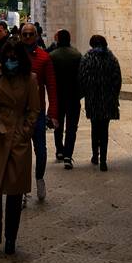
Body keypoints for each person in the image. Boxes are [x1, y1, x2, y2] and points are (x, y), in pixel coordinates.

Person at [0, 37, 40, 256]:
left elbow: (34, 110)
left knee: (14, 194)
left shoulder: (30, 79)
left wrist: (25, 132)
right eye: (7, 58)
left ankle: (10, 238)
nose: (10, 61)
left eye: (14, 58)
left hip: (17, 140)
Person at [18, 21, 58, 201]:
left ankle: (39, 177)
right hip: (18, 112)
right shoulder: (13, 57)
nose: (27, 37)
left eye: (30, 34)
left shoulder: (44, 57)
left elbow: (51, 85)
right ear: (20, 35)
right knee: (20, 150)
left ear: (36, 36)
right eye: (24, 34)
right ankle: (22, 187)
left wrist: (53, 112)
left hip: (38, 111)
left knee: (40, 149)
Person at [79, 35, 122, 172]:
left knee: (95, 127)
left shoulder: (87, 58)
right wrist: (113, 94)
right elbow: (117, 79)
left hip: (93, 100)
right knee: (104, 130)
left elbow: (82, 78)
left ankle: (95, 155)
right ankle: (103, 159)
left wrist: (87, 92)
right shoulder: (112, 58)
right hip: (108, 100)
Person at [49, 29, 83, 167]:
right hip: (73, 96)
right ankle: (68, 155)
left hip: (58, 95)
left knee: (58, 124)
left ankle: (59, 150)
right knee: (71, 127)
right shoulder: (77, 55)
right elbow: (81, 77)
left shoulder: (52, 55)